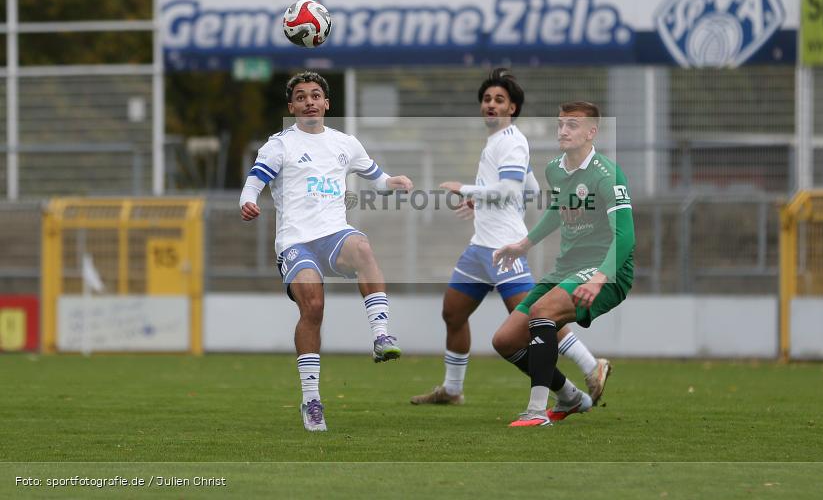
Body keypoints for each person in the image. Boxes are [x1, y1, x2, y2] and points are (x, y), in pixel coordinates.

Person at [410, 69, 608, 407]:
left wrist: (467, 189)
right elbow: (527, 190)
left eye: (499, 100)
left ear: (512, 107)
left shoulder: (512, 141)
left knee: (537, 317)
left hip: (504, 249)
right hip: (480, 248)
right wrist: (482, 201)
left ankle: (590, 368)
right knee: (453, 313)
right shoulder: (501, 142)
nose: (491, 104)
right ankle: (453, 389)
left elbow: (509, 189)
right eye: (487, 99)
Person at [240, 71, 413, 432]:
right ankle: (311, 399)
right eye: (301, 97)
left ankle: (382, 337)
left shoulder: (345, 143)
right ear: (292, 107)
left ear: (327, 103)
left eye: (315, 95)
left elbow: (377, 178)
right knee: (313, 307)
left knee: (362, 246)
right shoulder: (280, 145)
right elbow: (255, 180)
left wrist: (392, 182)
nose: (309, 102)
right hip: (296, 241)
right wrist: (248, 200)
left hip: (333, 235)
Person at [492, 101, 634, 427]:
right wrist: (523, 244)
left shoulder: (607, 174)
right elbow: (558, 210)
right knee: (506, 340)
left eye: (572, 125)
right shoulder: (555, 168)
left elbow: (625, 237)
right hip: (566, 268)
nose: (563, 131)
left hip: (607, 269)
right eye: (560, 124)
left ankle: (537, 412)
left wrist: (600, 277)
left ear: (591, 132)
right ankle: (570, 396)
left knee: (543, 312)